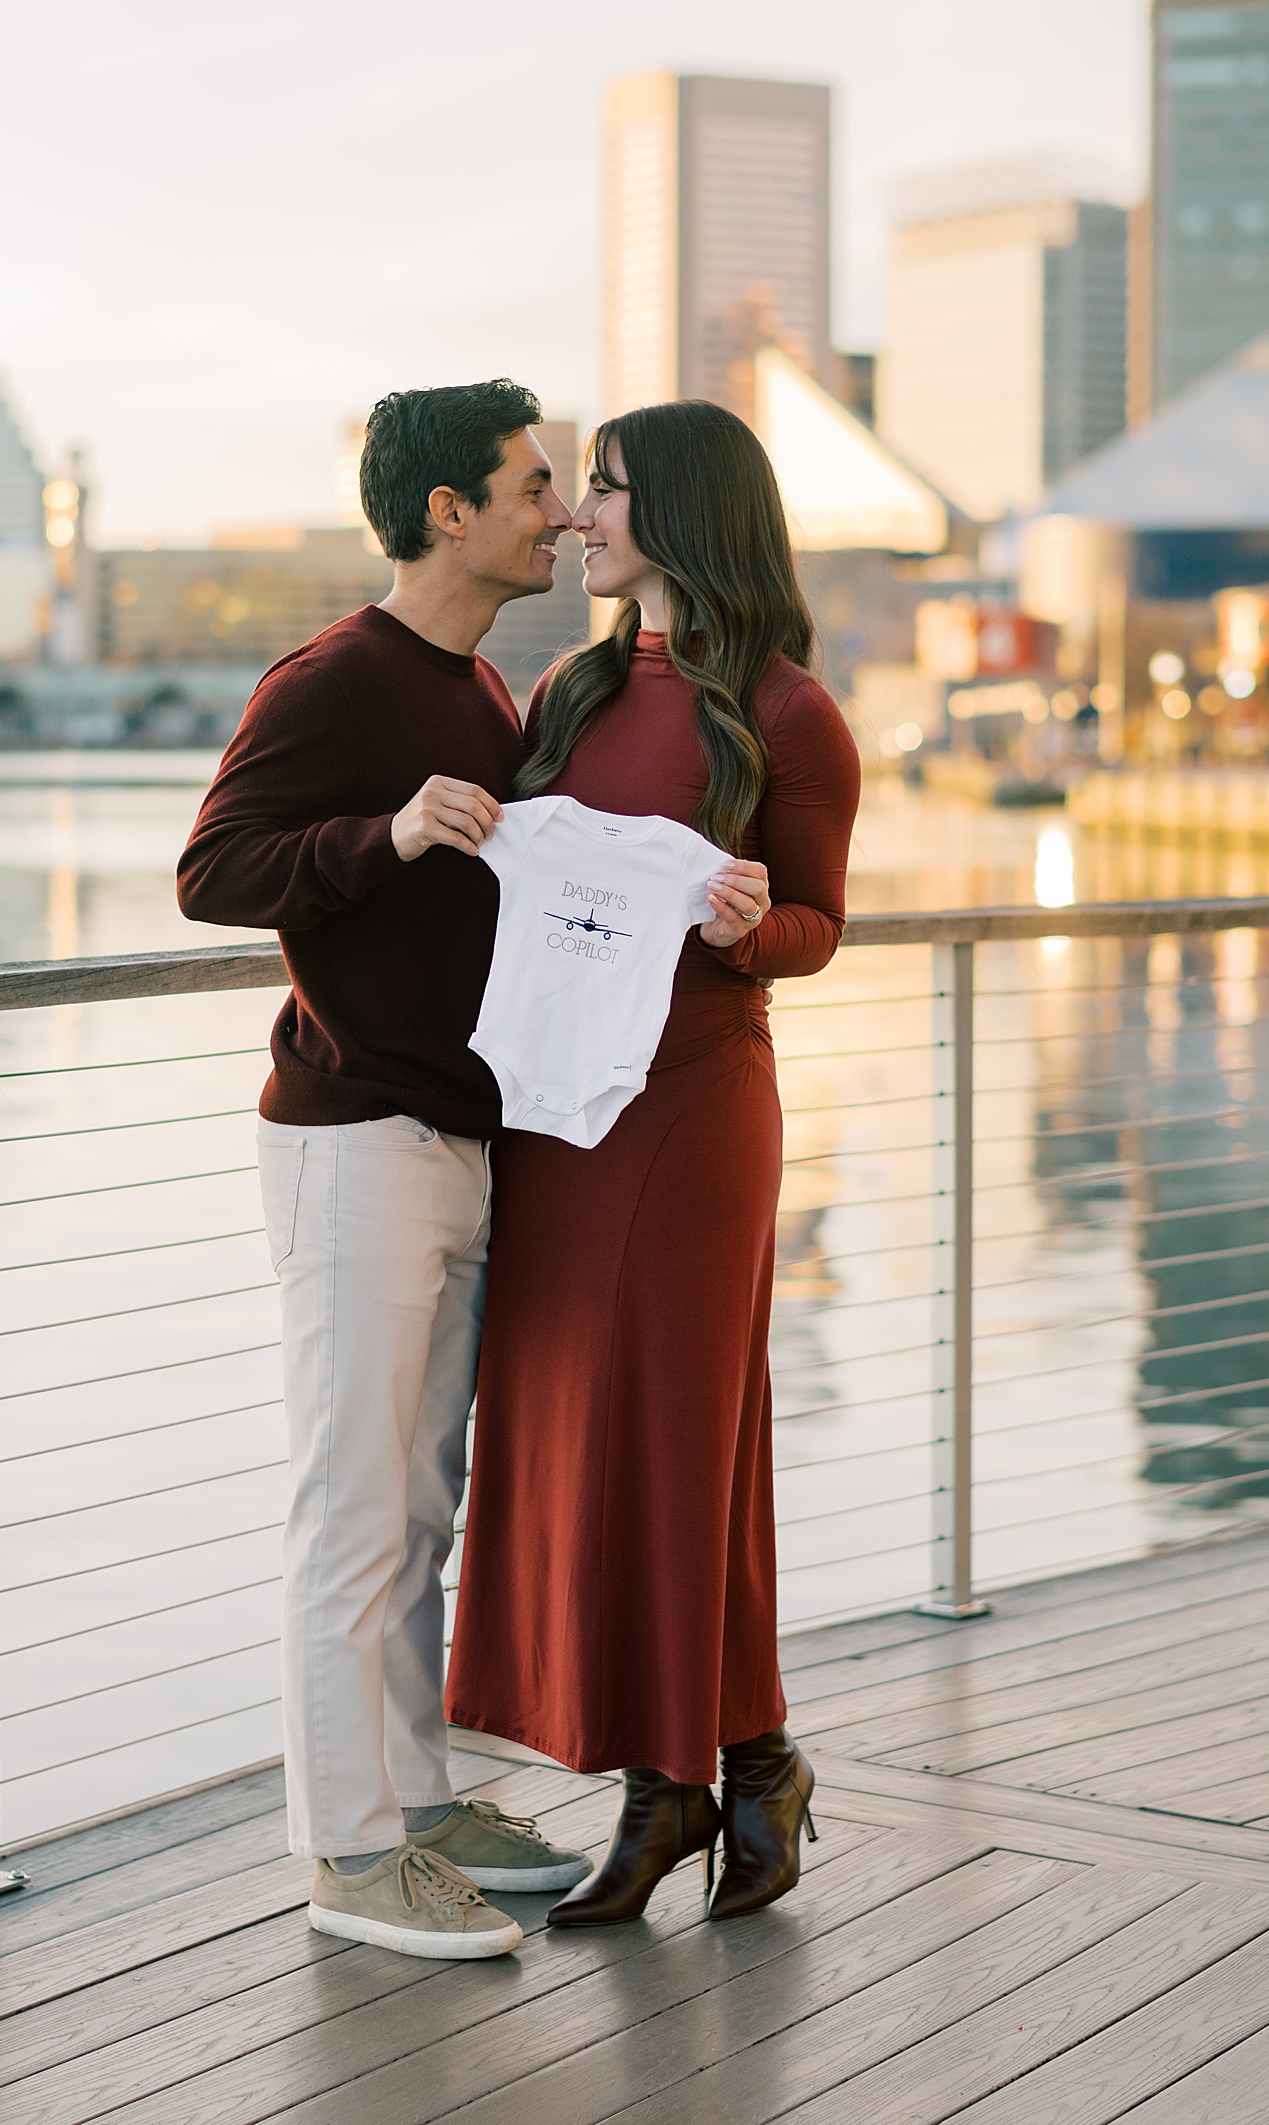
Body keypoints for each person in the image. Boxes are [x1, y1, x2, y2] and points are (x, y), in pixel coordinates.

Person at [176, 379, 592, 1962]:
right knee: (353, 1511)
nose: (558, 511)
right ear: (450, 512)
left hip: (461, 1139)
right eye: (535, 484)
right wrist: (391, 836)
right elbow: (216, 870)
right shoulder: (337, 679)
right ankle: (347, 1861)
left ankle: (414, 1809)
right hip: (353, 1144)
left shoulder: (488, 690)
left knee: (419, 1505)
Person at [445, 397, 861, 1926]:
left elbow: (820, 927)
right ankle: (735, 1769)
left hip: (691, 1121)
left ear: (679, 514)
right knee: (583, 1437)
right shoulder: (559, 692)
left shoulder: (789, 713)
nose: (578, 517)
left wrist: (756, 922)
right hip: (558, 1118)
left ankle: (670, 1786)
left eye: (606, 490)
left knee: (680, 1448)